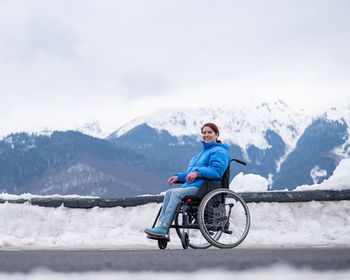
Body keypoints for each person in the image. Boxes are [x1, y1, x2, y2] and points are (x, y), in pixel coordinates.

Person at [144, 123, 231, 236]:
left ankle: (164, 226)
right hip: (195, 185)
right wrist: (178, 177)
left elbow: (216, 171)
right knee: (170, 192)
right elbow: (191, 174)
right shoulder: (201, 154)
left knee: (176, 194)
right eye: (204, 133)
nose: (206, 135)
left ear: (217, 134)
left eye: (210, 132)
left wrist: (197, 172)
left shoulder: (220, 151)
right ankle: (161, 225)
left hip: (207, 186)